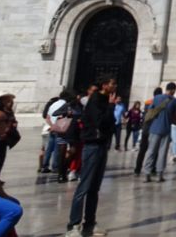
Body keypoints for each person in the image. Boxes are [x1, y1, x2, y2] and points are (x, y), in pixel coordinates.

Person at [66, 75, 117, 237]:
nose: (115, 86)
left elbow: (110, 122)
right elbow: (101, 122)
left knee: (94, 188)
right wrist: (110, 106)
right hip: (92, 146)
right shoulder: (95, 100)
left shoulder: (104, 100)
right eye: (112, 84)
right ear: (104, 85)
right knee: (84, 187)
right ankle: (73, 226)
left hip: (101, 145)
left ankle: (89, 224)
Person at [142, 82, 176, 182]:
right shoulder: (174, 101)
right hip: (166, 129)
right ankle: (160, 175)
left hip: (154, 128)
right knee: (162, 152)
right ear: (173, 90)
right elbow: (175, 116)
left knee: (151, 151)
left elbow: (149, 112)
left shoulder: (156, 98)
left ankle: (147, 174)